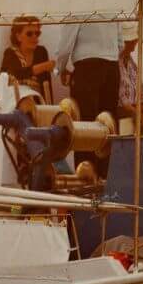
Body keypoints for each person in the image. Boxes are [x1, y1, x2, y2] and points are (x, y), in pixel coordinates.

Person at [52, 20, 121, 173]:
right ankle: (103, 178)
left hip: (87, 67)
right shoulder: (114, 2)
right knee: (107, 125)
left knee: (84, 125)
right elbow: (120, 43)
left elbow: (65, 45)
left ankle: (84, 177)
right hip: (112, 67)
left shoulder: (79, 1)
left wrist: (59, 69)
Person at [0, 15, 55, 102]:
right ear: (18, 36)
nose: (34, 37)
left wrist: (49, 106)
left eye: (37, 33)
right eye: (29, 34)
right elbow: (16, 74)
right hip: (15, 103)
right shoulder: (11, 53)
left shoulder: (41, 52)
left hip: (37, 104)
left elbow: (46, 84)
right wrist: (42, 67)